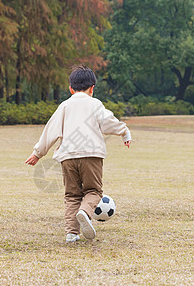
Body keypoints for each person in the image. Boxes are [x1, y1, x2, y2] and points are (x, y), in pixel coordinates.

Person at [25, 65, 131, 243]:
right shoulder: (95, 104)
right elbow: (109, 122)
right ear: (92, 88)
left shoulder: (65, 106)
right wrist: (124, 132)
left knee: (72, 195)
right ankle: (85, 212)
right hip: (92, 155)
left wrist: (38, 153)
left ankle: (72, 233)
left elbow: (51, 130)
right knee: (93, 191)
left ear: (70, 89)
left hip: (67, 157)